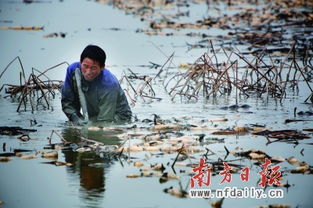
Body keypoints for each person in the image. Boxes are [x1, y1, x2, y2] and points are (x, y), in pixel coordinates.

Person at [61, 45, 132, 125]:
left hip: (117, 117)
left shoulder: (109, 84)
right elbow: (67, 102)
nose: (88, 72)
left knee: (97, 128)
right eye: (85, 66)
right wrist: (76, 119)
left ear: (102, 67)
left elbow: (105, 121)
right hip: (93, 114)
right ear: (80, 62)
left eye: (93, 68)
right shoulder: (72, 70)